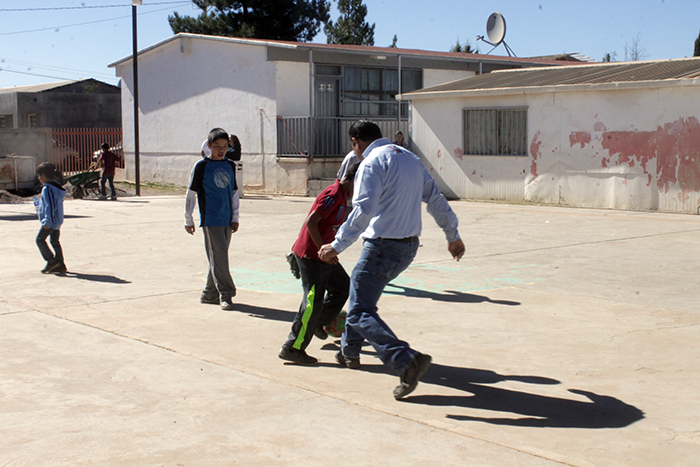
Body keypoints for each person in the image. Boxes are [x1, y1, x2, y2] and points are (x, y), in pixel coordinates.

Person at [319, 120, 465, 400]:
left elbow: (363, 211)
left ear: (356, 142)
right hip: (408, 248)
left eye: (353, 145)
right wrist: (452, 235)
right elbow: (435, 198)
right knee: (361, 298)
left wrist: (337, 245)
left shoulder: (371, 163)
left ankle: (405, 360)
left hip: (381, 248)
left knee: (360, 311)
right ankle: (349, 351)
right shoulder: (410, 158)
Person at [279, 162, 359, 365]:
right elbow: (311, 222)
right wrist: (322, 248)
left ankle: (318, 321)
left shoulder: (343, 196)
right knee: (312, 301)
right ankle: (293, 347)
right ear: (355, 179)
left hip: (323, 255)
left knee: (343, 287)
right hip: (312, 256)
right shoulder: (334, 194)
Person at [185, 128, 240, 310]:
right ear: (208, 146)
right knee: (220, 256)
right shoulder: (201, 166)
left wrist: (235, 216)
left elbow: (234, 192)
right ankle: (226, 293)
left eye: (224, 146)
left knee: (218, 257)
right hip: (211, 219)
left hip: (227, 218)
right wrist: (188, 219)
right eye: (216, 146)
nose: (221, 150)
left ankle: (209, 293)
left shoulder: (230, 165)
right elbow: (191, 193)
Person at [35, 162, 67, 274]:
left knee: (40, 240)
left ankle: (51, 261)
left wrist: (47, 222)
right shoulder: (56, 187)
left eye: (39, 176)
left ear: (43, 175)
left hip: (50, 222)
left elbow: (50, 206)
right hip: (57, 220)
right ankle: (60, 264)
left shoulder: (48, 189)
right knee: (55, 241)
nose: (39, 178)